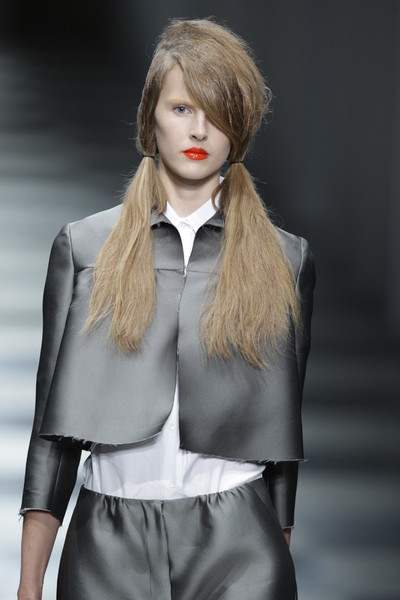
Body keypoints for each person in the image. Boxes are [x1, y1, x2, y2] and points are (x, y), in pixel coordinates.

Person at [18, 17, 315, 600]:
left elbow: (280, 437)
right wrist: (29, 584)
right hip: (107, 544)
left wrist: (280, 553)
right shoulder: (85, 249)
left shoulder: (286, 260)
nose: (199, 128)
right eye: (181, 108)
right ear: (150, 118)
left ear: (239, 129)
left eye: (218, 112)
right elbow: (51, 434)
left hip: (240, 549)